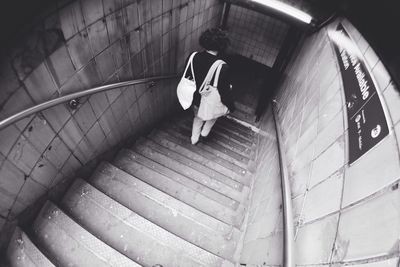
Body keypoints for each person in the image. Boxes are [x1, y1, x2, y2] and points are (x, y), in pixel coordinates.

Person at [183, 28, 235, 145]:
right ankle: (204, 134)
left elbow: (187, 75)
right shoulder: (222, 67)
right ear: (222, 46)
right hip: (209, 100)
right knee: (212, 117)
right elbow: (224, 92)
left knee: (197, 117)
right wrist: (231, 107)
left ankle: (194, 139)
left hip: (194, 97)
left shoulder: (193, 56)